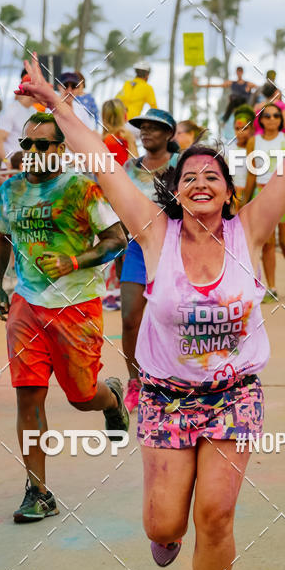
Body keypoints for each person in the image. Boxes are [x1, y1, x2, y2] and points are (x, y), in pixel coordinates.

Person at [17, 42, 285, 570]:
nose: (201, 183)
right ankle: (165, 530)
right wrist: (56, 105)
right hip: (166, 397)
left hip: (233, 396)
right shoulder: (155, 232)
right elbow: (101, 164)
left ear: (228, 193)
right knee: (164, 525)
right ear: (177, 191)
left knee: (217, 514)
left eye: (213, 177)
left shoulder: (249, 231)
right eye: (190, 177)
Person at [0, 112, 129, 522]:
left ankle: (111, 397)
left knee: (82, 397)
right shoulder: (10, 189)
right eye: (26, 144)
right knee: (28, 395)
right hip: (27, 306)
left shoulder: (81, 189)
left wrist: (74, 261)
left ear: (60, 149)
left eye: (41, 144)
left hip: (77, 307)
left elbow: (117, 239)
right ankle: (38, 491)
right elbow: (0, 236)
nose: (32, 151)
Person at [119, 109, 180, 412]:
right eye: (142, 128)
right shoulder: (130, 167)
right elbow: (120, 203)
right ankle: (135, 381)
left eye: (153, 128)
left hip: (173, 249)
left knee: (170, 319)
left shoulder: (181, 164)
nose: (145, 132)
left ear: (169, 134)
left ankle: (173, 382)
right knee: (130, 318)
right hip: (137, 249)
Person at [241, 103, 285, 301]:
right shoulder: (253, 142)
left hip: (284, 194)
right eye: (267, 116)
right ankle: (271, 287)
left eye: (276, 115)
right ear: (261, 120)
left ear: (281, 119)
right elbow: (251, 173)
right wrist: (244, 202)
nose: (272, 119)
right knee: (267, 243)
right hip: (262, 194)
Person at [0, 69, 41, 169]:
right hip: (11, 168)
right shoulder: (11, 110)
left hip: (28, 166)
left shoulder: (34, 112)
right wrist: (7, 162)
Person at [231, 105, 256, 206]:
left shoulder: (256, 150)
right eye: (237, 128)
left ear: (252, 129)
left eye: (244, 128)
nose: (240, 132)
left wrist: (245, 198)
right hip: (232, 198)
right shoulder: (228, 149)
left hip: (252, 197)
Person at [101, 98, 138, 166]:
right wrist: (131, 141)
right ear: (123, 115)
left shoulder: (104, 139)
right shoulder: (118, 139)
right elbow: (132, 168)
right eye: (125, 110)